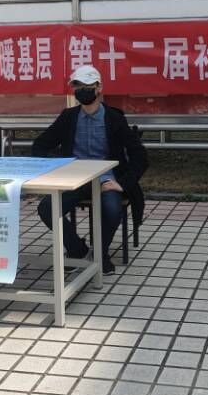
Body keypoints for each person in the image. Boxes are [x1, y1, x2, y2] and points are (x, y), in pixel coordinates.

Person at [32, 65, 148, 276]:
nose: (82, 90)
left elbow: (140, 155)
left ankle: (100, 254)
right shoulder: (68, 117)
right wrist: (57, 167)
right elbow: (40, 145)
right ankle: (77, 249)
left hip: (105, 178)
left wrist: (123, 183)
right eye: (77, 86)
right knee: (47, 208)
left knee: (112, 208)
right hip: (74, 179)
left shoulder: (114, 118)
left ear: (99, 87)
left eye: (87, 86)